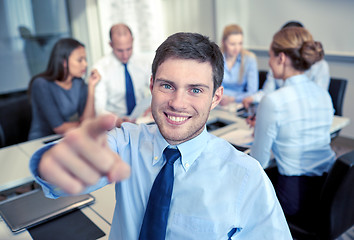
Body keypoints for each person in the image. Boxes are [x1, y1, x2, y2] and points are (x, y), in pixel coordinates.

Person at [30, 32, 292, 239]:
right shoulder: (126, 142)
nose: (177, 103)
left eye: (196, 90)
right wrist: (54, 164)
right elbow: (65, 172)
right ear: (152, 85)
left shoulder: (247, 176)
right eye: (167, 85)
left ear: (216, 98)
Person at [249, 27, 335, 231]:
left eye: (270, 57)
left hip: (294, 198)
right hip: (328, 189)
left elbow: (258, 162)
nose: (269, 63)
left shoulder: (274, 101)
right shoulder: (324, 94)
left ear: (281, 58)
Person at [242, 21, 330, 109]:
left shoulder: (321, 67)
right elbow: (268, 91)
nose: (269, 62)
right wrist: (253, 98)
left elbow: (316, 101)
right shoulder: (276, 63)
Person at [28, 38, 100, 140]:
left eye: (85, 59)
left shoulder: (78, 83)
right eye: (80, 60)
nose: (85, 64)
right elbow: (59, 127)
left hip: (66, 138)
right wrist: (86, 125)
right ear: (64, 62)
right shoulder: (41, 84)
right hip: (41, 141)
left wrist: (91, 87)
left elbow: (89, 120)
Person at [93, 23, 151, 124]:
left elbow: (157, 88)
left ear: (132, 40)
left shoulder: (144, 63)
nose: (125, 55)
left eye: (129, 49)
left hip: (141, 120)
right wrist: (115, 120)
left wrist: (153, 106)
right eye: (120, 50)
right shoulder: (100, 68)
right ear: (111, 45)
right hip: (114, 123)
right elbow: (98, 109)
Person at [219, 24, 258, 105]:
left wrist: (232, 99)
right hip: (219, 102)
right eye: (232, 44)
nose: (237, 48)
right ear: (223, 42)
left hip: (240, 103)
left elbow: (252, 92)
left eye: (240, 43)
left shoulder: (250, 59)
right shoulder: (216, 58)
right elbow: (214, 87)